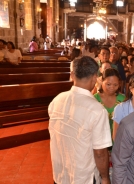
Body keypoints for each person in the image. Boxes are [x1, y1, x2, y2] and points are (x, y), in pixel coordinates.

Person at [48, 56, 112, 184]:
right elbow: (99, 153)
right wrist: (105, 177)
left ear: (72, 75)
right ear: (95, 78)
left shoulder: (57, 100)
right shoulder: (97, 110)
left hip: (60, 171)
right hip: (83, 176)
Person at [94, 68, 126, 141]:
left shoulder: (123, 100)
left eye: (115, 85)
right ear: (102, 81)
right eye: (108, 84)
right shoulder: (94, 100)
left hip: (118, 140)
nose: (112, 87)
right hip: (99, 141)